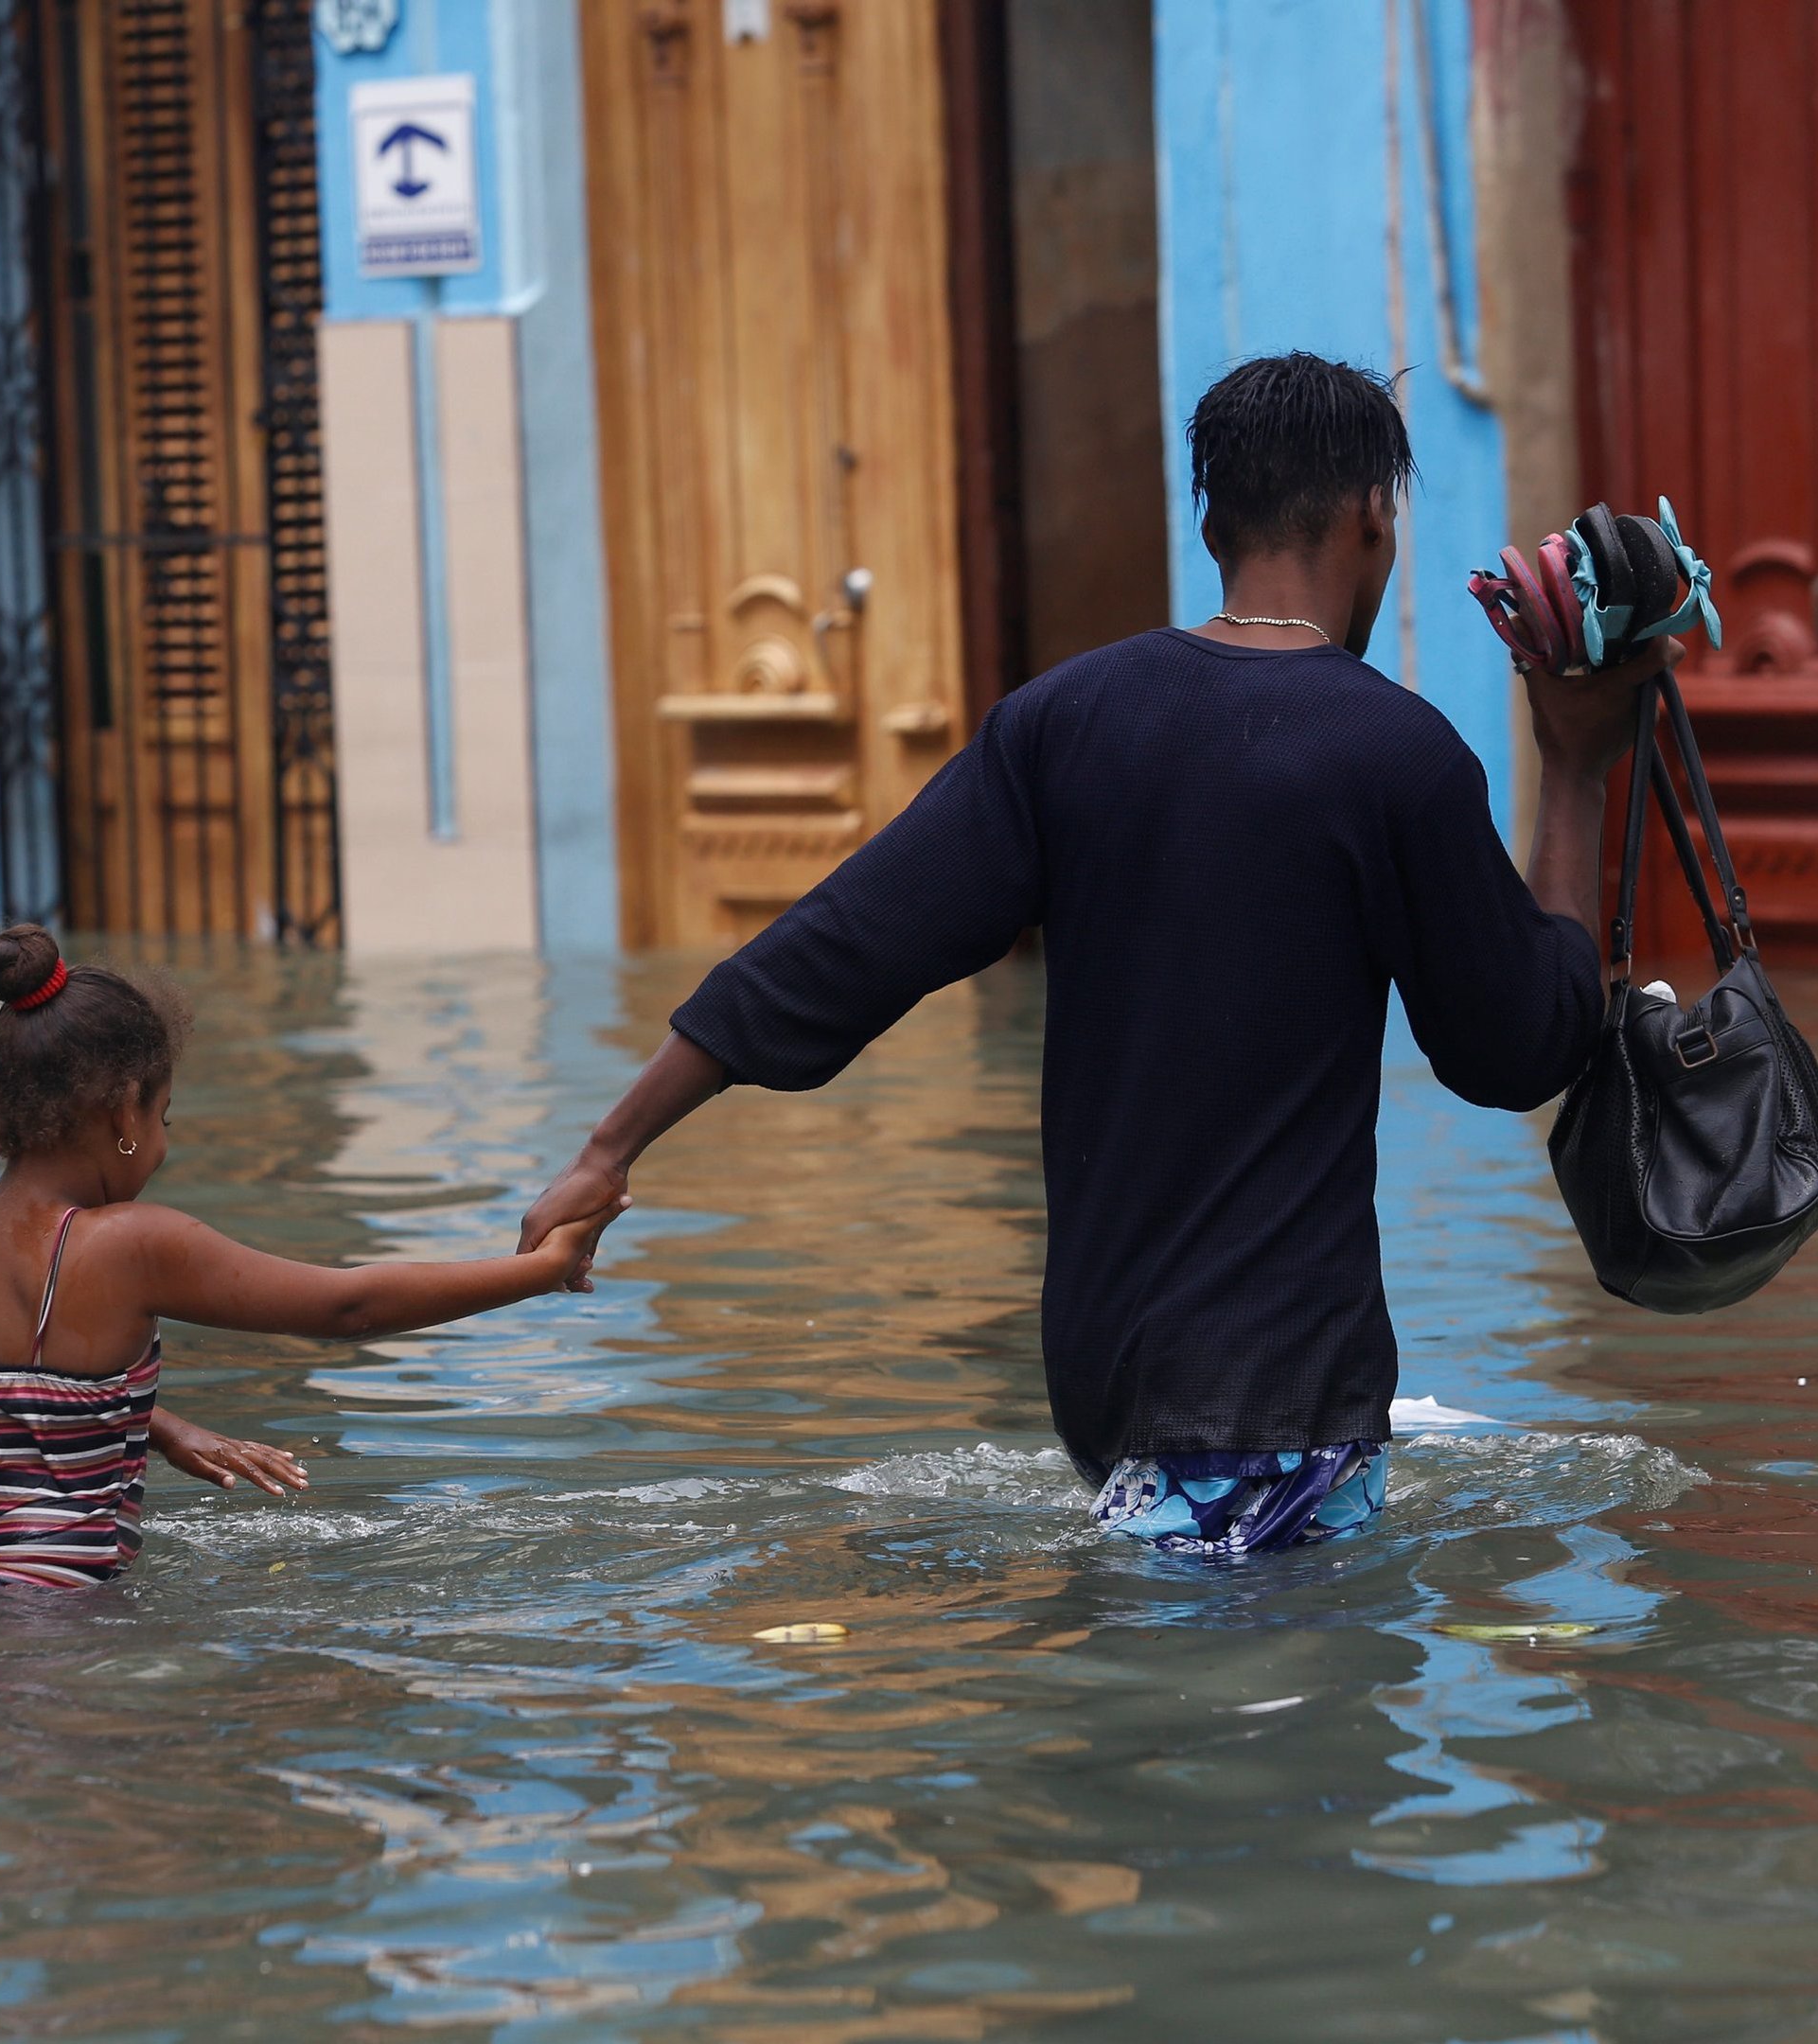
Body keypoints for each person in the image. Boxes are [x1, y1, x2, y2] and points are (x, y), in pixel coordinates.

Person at [518, 353, 1673, 1558]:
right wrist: (1578, 769)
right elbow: (1519, 1049)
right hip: (1278, 1396)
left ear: (1212, 522)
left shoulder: (1061, 722)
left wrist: (611, 1148)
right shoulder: (1397, 753)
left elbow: (841, 947)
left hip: (1102, 1381)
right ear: (1369, 520)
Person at [0, 925, 615, 1589]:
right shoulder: (129, 1241)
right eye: (162, 1118)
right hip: (54, 1617)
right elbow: (345, 1306)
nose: (162, 1143)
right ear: (125, 1109)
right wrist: (541, 1271)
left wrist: (154, 1425)